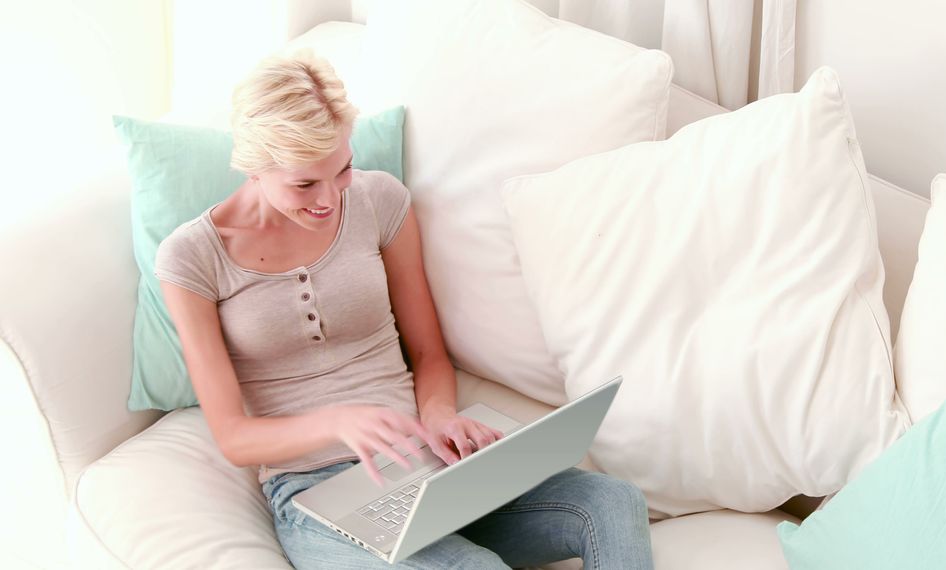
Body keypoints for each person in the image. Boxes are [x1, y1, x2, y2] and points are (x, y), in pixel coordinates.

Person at [155, 51, 654, 569]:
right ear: (255, 167)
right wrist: (338, 422)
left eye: (342, 169)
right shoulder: (192, 258)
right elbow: (234, 437)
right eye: (305, 184)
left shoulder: (379, 201)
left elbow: (427, 352)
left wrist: (439, 416)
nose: (329, 199)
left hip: (427, 467)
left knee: (611, 502)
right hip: (315, 495)